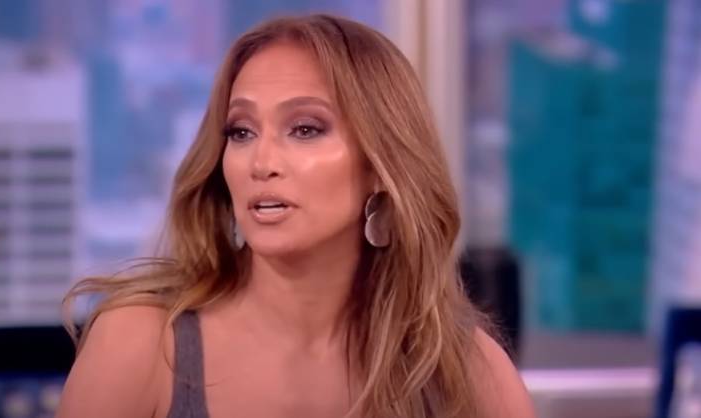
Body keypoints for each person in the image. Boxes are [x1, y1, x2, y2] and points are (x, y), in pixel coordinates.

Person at [57, 14, 534, 418]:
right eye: (241, 132)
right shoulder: (141, 345)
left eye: (305, 129)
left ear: (379, 165)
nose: (261, 163)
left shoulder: (465, 371)